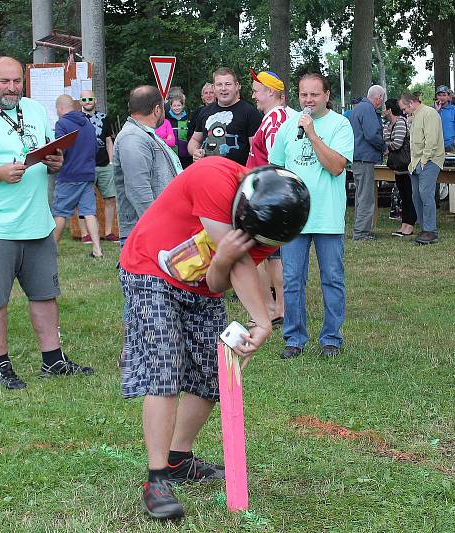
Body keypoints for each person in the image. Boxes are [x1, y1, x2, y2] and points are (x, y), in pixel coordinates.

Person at [119, 160, 306, 519]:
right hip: (150, 269)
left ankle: (179, 459)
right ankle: (157, 479)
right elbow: (236, 263)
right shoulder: (213, 176)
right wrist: (262, 321)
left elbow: (220, 279)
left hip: (201, 284)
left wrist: (224, 263)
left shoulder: (272, 225)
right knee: (165, 366)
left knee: (211, 373)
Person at [0, 56, 94, 390]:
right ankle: (0, 367)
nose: (12, 88)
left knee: (45, 295)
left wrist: (55, 161)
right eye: (4, 82)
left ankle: (53, 360)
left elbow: (44, 152)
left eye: (16, 81)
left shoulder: (34, 109)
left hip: (37, 222)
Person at [268, 72, 354, 359]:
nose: (308, 100)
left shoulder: (340, 125)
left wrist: (313, 134)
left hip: (326, 216)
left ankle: (331, 338)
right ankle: (294, 338)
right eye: (304, 95)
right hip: (293, 219)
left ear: (327, 95)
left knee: (331, 279)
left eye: (314, 94)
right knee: (292, 279)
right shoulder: (288, 127)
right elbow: (276, 169)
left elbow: (336, 167)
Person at [246, 68, 291, 325]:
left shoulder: (275, 120)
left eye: (256, 91)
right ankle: (274, 307)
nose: (254, 96)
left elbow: (277, 161)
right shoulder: (275, 117)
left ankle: (275, 308)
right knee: (268, 256)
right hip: (264, 194)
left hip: (266, 195)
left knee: (263, 256)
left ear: (271, 92)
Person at [113, 86, 183, 243]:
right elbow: (139, 190)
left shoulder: (145, 134)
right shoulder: (132, 138)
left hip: (155, 230)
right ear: (157, 110)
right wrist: (159, 229)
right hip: (145, 235)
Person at [50, 95, 102, 258]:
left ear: (60, 108)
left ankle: (50, 251)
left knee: (60, 212)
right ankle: (97, 250)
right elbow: (95, 148)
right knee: (89, 212)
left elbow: (59, 151)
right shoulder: (87, 123)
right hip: (87, 174)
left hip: (69, 175)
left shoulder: (62, 124)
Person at [188, 67, 262, 165]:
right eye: (219, 84)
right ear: (214, 88)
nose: (223, 88)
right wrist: (195, 152)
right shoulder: (205, 112)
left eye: (228, 84)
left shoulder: (250, 112)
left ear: (236, 86)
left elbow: (257, 151)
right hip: (208, 172)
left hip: (238, 176)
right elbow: (195, 140)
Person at [398, 91, 444, 245]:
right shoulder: (415, 116)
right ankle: (425, 229)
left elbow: (431, 139)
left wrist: (424, 160)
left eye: (404, 109)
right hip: (417, 162)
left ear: (411, 103)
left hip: (429, 161)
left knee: (426, 194)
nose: (404, 112)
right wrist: (414, 163)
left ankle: (431, 230)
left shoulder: (429, 113)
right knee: (416, 196)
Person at [76, 89, 119, 243]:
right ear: (80, 102)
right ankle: (84, 234)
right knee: (83, 200)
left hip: (104, 164)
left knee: (110, 198)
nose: (87, 101)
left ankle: (108, 232)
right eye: (84, 99)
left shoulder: (104, 118)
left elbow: (108, 140)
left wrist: (112, 161)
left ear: (96, 100)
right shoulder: (76, 119)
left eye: (90, 98)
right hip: (84, 166)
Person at [349, 85, 386, 241]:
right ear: (377, 97)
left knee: (360, 196)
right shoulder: (367, 109)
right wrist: (383, 146)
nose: (381, 103)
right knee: (366, 197)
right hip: (365, 158)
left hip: (357, 157)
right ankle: (361, 233)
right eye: (381, 100)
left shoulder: (357, 109)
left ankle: (360, 229)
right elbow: (372, 134)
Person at [383, 98, 415, 237]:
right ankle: (404, 224)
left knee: (409, 195)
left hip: (405, 165)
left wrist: (387, 144)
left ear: (389, 110)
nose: (383, 111)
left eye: (385, 108)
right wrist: (388, 142)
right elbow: (387, 140)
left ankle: (410, 224)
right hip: (397, 166)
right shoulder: (388, 124)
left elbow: (396, 144)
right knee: (403, 195)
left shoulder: (401, 122)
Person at [434, 85, 455, 152]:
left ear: (448, 97)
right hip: (434, 147)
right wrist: (436, 111)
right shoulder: (431, 110)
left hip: (450, 146)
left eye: (444, 95)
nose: (441, 97)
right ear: (436, 96)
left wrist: (454, 142)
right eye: (439, 95)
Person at [166, 92, 192, 168]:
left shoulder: (188, 120)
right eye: (174, 105)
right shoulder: (167, 121)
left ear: (183, 106)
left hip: (186, 155)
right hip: (172, 155)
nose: (176, 108)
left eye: (179, 105)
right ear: (170, 106)